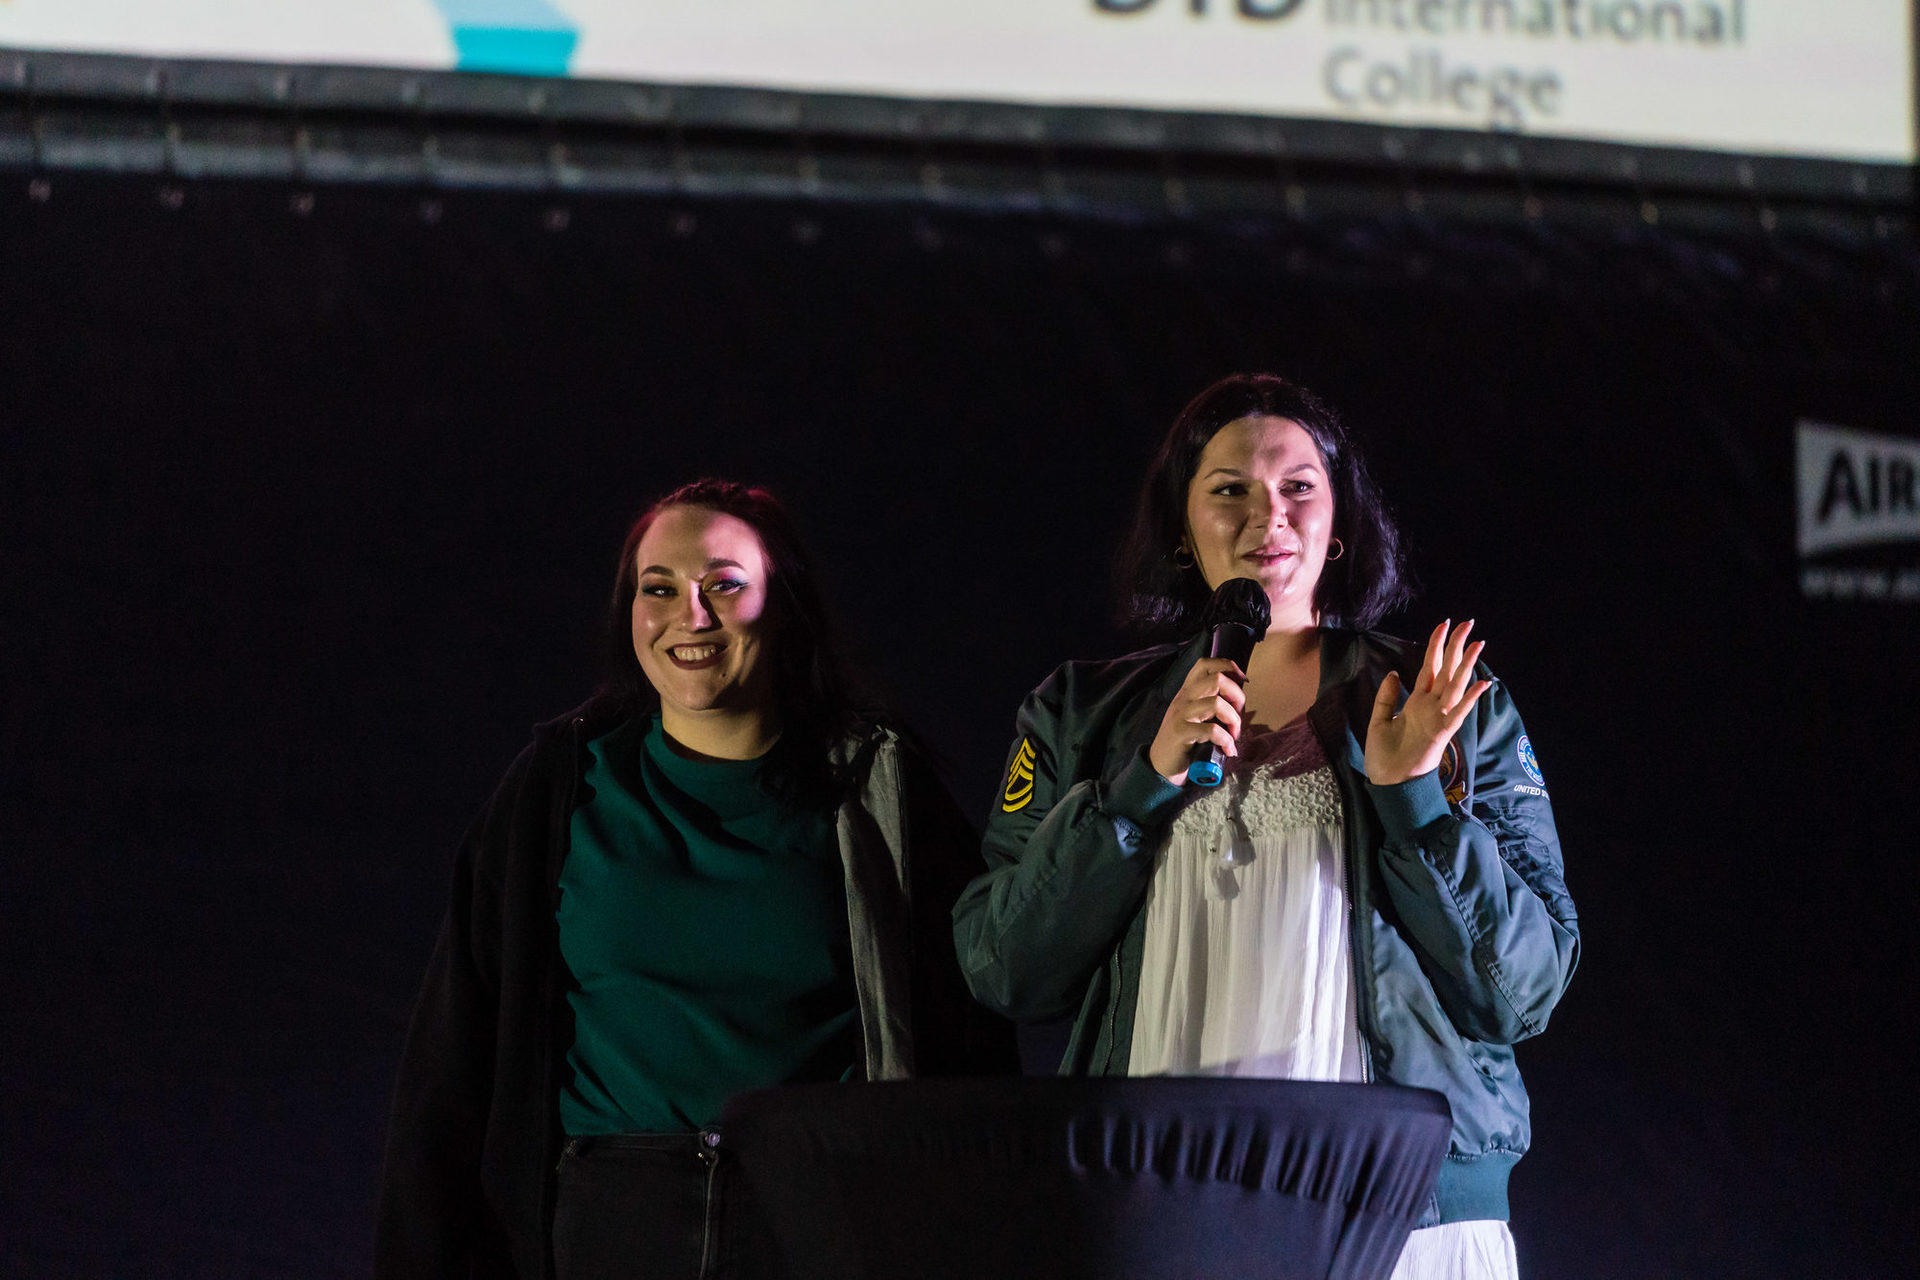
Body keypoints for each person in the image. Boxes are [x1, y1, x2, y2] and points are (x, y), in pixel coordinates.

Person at [952, 374, 1578, 1278]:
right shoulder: (1081, 713)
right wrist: (1140, 785)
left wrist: (1414, 800)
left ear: (1340, 520)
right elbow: (1002, 965)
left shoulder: (1445, 703)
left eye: (1297, 487)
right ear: (1181, 525)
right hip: (1163, 1208)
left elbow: (1524, 990)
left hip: (1403, 1218)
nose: (1267, 517)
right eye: (1230, 490)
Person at [378, 479, 1010, 1280]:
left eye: (725, 585)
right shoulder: (556, 791)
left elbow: (973, 1038)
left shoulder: (878, 791)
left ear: (785, 605)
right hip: (612, 1225)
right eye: (659, 589)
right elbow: (453, 1054)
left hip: (813, 1214)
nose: (693, 614)